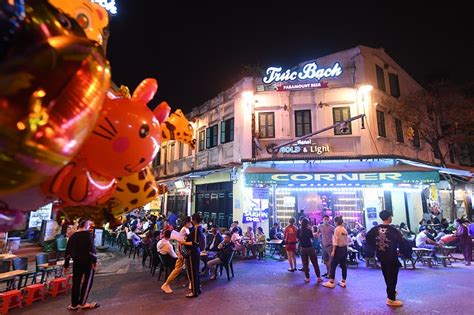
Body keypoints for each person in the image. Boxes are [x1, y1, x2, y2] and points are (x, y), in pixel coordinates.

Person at [367, 210, 410, 307]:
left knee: (386, 275)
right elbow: (402, 242)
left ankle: (391, 292)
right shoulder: (394, 230)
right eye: (391, 216)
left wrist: (376, 247)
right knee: (393, 276)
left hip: (381, 255)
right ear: (389, 217)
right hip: (391, 256)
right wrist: (402, 252)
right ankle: (391, 298)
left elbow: (368, 237)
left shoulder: (375, 229)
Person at [63, 218, 99, 311]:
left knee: (76, 282)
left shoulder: (73, 236)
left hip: (77, 263)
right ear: (85, 224)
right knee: (87, 282)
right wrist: (94, 261)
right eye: (89, 223)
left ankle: (74, 304)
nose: (90, 225)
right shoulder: (87, 235)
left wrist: (66, 265)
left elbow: (67, 253)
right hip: (88, 263)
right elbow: (92, 251)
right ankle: (82, 303)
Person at [161, 217, 192, 294]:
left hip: (183, 252)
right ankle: (166, 284)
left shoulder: (185, 229)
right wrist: (180, 253)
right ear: (187, 223)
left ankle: (191, 283)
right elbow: (180, 242)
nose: (191, 224)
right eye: (190, 222)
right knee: (178, 269)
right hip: (182, 253)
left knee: (187, 268)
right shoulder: (184, 229)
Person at [180, 213, 205, 298]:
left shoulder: (197, 229)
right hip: (195, 252)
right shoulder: (198, 228)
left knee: (192, 272)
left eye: (191, 219)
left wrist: (184, 242)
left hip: (193, 252)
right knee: (195, 271)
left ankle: (194, 292)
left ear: (194, 220)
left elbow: (194, 243)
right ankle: (197, 289)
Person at [323, 216, 348, 289]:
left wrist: (333, 251)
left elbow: (335, 241)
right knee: (343, 265)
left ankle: (331, 281)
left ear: (336, 222)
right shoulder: (344, 229)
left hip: (338, 249)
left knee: (333, 264)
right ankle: (343, 281)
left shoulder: (337, 229)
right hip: (344, 248)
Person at [298, 218, 322, 283]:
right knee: (315, 263)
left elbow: (298, 239)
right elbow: (312, 238)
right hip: (310, 248)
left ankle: (307, 278)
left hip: (303, 248)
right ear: (307, 223)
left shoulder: (299, 230)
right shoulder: (309, 230)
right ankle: (319, 277)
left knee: (305, 264)